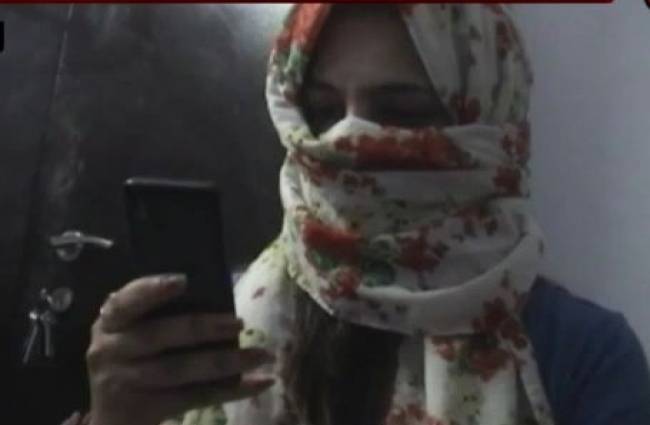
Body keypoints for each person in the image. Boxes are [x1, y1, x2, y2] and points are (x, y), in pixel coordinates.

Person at [64, 4, 650, 425]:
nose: (346, 142)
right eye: (321, 112)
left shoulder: (582, 354)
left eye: (400, 113)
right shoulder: (231, 326)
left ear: (493, 126)